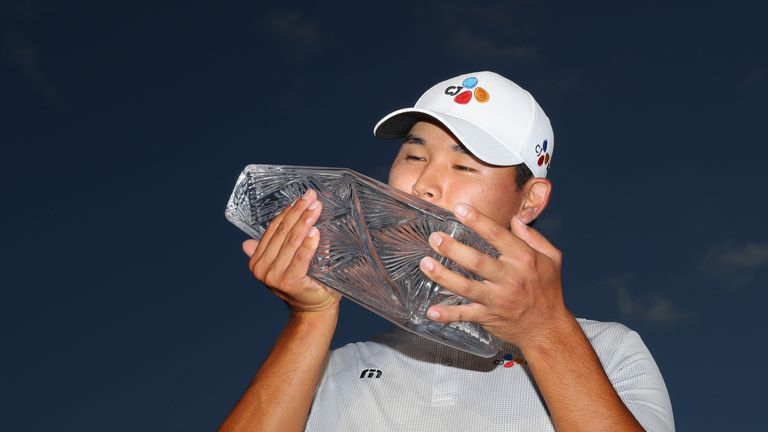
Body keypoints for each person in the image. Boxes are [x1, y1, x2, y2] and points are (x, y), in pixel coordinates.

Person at [219, 72, 674, 431]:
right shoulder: (340, 367)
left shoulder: (607, 350)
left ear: (530, 200)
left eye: (463, 165)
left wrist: (544, 332)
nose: (423, 184)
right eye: (414, 157)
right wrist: (310, 318)